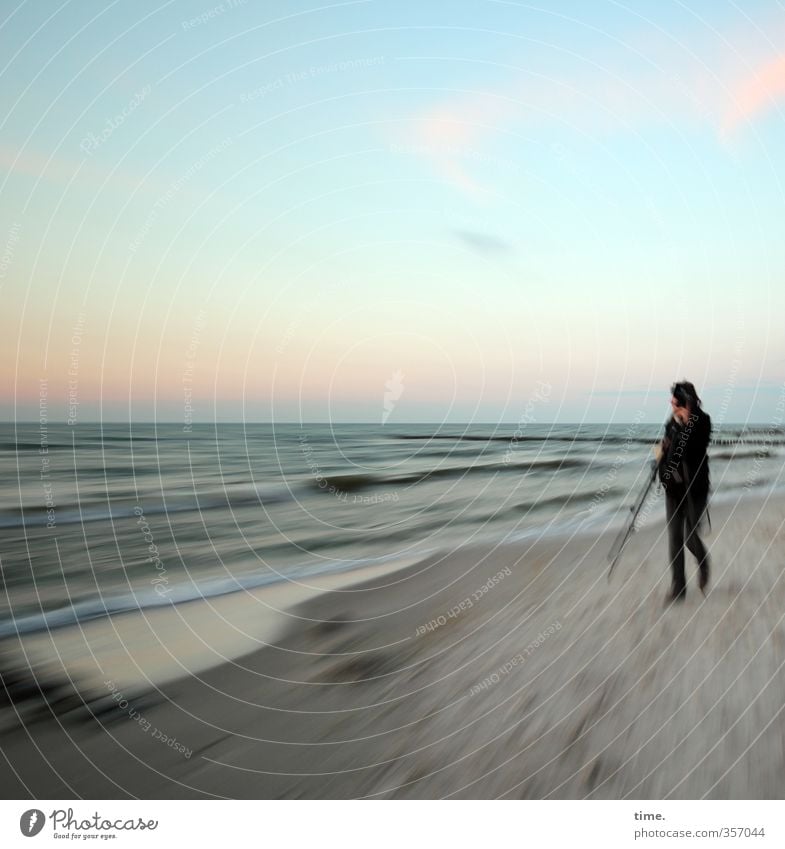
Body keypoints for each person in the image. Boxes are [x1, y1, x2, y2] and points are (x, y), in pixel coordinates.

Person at [657, 381, 712, 604]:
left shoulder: (702, 421)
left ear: (685, 399)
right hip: (674, 489)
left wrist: (686, 422)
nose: (671, 401)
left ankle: (703, 560)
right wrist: (661, 466)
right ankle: (678, 587)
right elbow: (666, 452)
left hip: (696, 488)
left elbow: (693, 450)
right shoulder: (671, 422)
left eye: (675, 397)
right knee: (675, 539)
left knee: (690, 536)